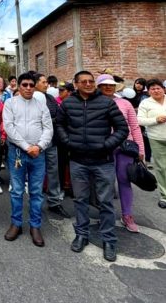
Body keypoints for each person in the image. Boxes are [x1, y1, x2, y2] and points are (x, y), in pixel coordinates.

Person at [57, 70, 128, 262]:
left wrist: (106, 145)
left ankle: (109, 240)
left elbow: (122, 128)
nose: (88, 84)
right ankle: (82, 234)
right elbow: (59, 125)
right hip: (78, 160)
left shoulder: (106, 102)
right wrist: (68, 142)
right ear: (76, 84)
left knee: (105, 202)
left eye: (91, 81)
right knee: (80, 200)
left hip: (103, 161)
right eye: (84, 82)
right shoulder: (68, 103)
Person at [3, 72, 53, 247]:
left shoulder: (41, 105)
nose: (29, 88)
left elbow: (48, 128)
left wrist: (38, 147)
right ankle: (16, 224)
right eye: (25, 85)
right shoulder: (10, 103)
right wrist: (26, 147)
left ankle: (35, 226)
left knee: (36, 192)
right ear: (19, 86)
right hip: (17, 153)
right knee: (17, 190)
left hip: (38, 153)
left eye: (32, 85)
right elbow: (9, 127)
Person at [97, 74, 144, 232]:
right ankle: (105, 215)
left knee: (124, 181)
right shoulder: (93, 103)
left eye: (111, 85)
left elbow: (135, 126)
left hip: (125, 147)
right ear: (98, 87)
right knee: (105, 183)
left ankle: (127, 215)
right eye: (104, 85)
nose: (108, 87)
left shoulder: (125, 103)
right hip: (104, 148)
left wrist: (140, 149)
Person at [33, 74, 69, 218]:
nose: (46, 84)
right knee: (37, 173)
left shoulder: (50, 98)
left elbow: (58, 115)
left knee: (53, 172)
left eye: (46, 82)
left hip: (52, 141)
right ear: (35, 84)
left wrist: (52, 120)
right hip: (36, 142)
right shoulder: (32, 98)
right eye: (43, 82)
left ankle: (54, 202)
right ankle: (36, 204)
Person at [137, 79, 166, 209]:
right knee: (162, 167)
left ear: (163, 89)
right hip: (156, 138)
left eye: (158, 88)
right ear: (148, 91)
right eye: (152, 89)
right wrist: (155, 120)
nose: (155, 90)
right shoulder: (145, 103)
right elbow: (139, 120)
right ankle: (164, 195)